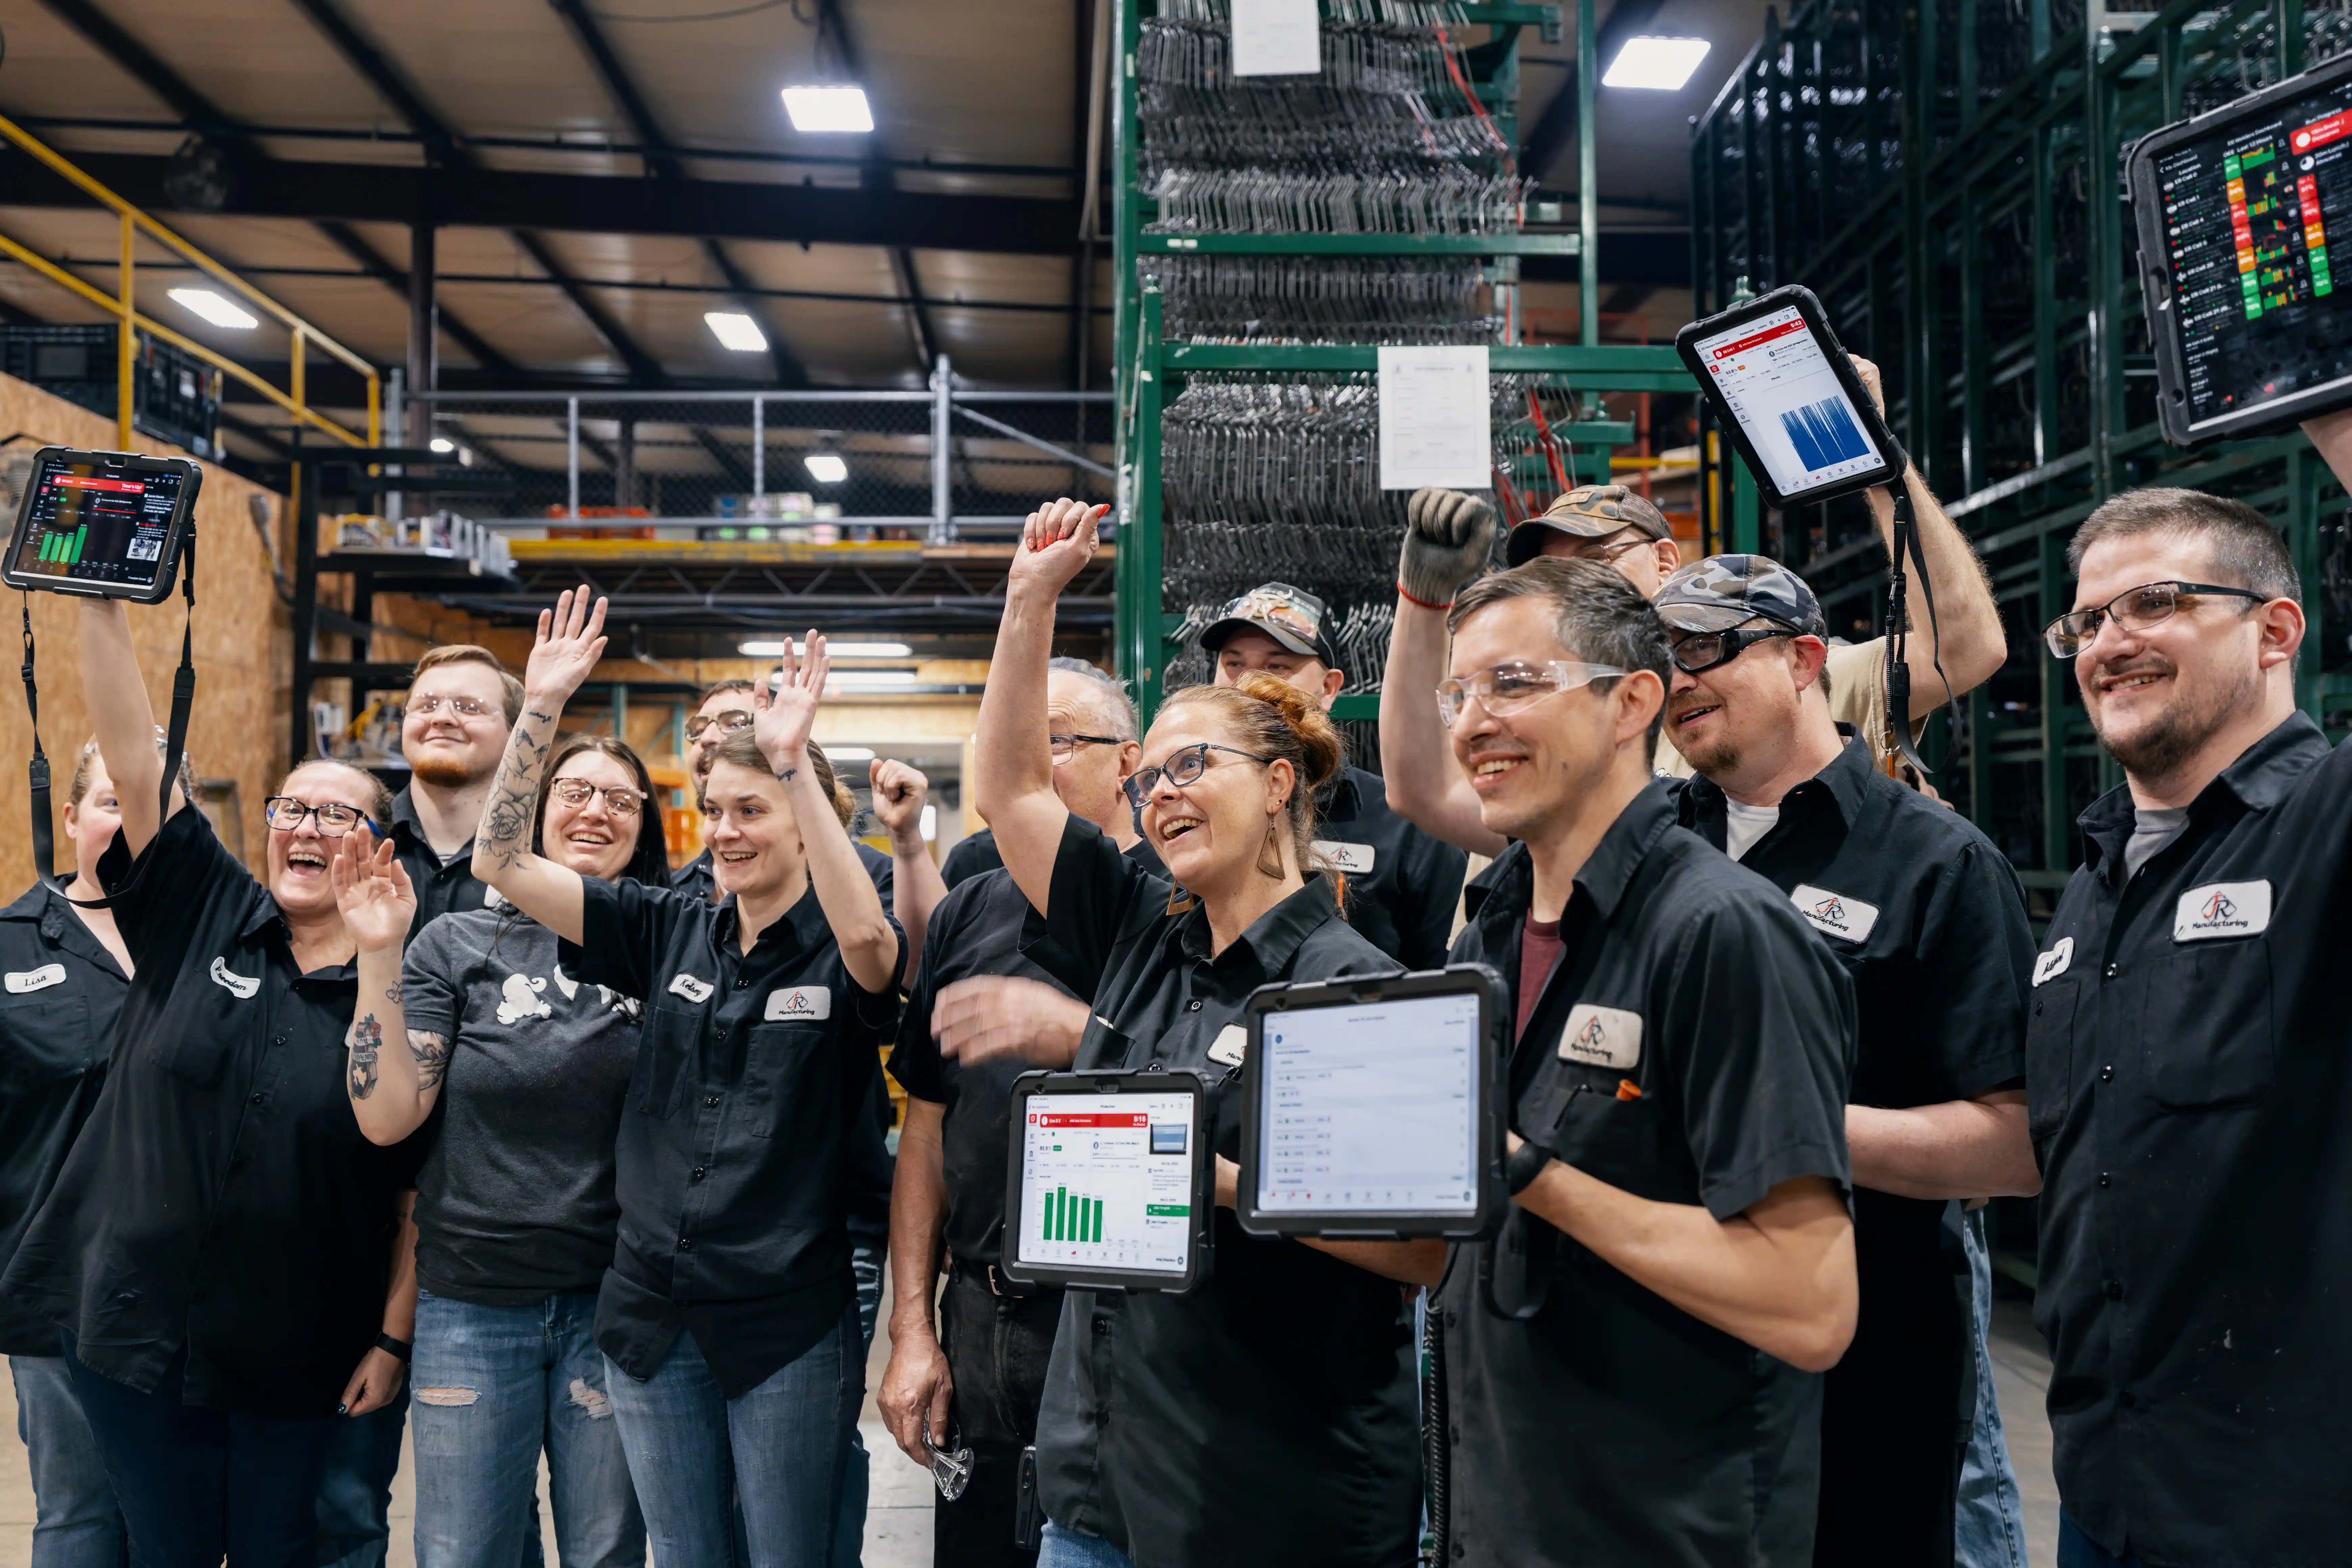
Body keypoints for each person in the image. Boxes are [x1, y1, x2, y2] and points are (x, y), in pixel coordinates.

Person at [970, 498, 1439, 1568]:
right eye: (1146, 780)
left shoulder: (1345, 983)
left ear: (1279, 786)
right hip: (1096, 1489)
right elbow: (1006, 788)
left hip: (1268, 1498)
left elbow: (1418, 1248)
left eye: (1193, 767)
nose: (1158, 795)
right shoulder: (1140, 930)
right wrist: (1029, 597)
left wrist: (1206, 1179)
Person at [1430, 556, 1858, 1566]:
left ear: (1630, 704)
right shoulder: (1484, 936)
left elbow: (1808, 1304)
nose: (1472, 721)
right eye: (1459, 692)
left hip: (1659, 1530)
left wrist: (1529, 1174)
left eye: (1514, 682)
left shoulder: (1720, 933)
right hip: (1501, 1516)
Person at [463, 592, 902, 1567]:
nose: (726, 831)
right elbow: (499, 859)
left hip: (786, 1317)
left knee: (788, 1554)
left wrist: (791, 758)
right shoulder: (666, 925)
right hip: (652, 1315)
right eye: (715, 810)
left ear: (806, 821)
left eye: (753, 811)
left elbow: (874, 941)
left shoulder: (843, 947)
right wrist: (539, 708)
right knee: (687, 1553)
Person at [0, 598, 421, 1568]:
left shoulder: (403, 972)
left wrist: (379, 954)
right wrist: (104, 601)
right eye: (292, 808)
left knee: (279, 1549)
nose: (308, 825)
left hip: (297, 1346)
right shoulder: (204, 910)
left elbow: (396, 1128)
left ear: (378, 845)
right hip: (137, 1337)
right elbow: (136, 761)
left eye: (338, 813)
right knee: (165, 1551)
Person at [1649, 554, 2042, 1566]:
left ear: (1801, 660)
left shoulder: (1933, 863)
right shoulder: (1648, 848)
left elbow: (2015, 1143)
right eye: (1663, 657)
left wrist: (1783, 1125)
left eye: (1706, 649)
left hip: (1864, 1374)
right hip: (1656, 1358)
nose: (1677, 678)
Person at [2026, 484, 2349, 1568]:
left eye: (2152, 602)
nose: (2106, 643)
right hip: (2104, 1490)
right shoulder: (2091, 890)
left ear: (2273, 631)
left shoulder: (2321, 827)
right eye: (2084, 621)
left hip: (2289, 1508)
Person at [1382, 355, 2007, 855]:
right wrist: (1423, 599)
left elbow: (1962, 652)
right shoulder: (1563, 715)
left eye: (1597, 560)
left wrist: (1877, 464)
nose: (1575, 586)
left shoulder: (1774, 676)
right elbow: (1427, 790)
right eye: (1553, 572)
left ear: (1663, 562)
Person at [328, 732, 668, 1568]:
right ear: (533, 815)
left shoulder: (671, 942)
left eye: (621, 799)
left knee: (606, 1551)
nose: (595, 810)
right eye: (574, 792)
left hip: (616, 1307)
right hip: (473, 1305)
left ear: (646, 829)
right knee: (463, 1552)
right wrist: (380, 952)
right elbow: (387, 1116)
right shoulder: (456, 945)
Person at [877, 657, 1153, 1568]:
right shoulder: (970, 908)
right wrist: (914, 1328)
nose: (1035, 767)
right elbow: (926, 1127)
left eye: (1059, 743)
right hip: (987, 1317)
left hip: (1123, 1322)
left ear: (1130, 761)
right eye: (1019, 748)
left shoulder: (1171, 906)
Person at [2, 735, 191, 1568]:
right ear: (72, 816)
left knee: (181, 1525)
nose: (133, 821)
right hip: (55, 1281)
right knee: (79, 1515)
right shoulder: (10, 945)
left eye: (157, 803)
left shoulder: (229, 941)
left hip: (200, 1293)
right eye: (114, 801)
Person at [1200, 583, 1468, 968]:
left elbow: (1438, 983)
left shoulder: (1406, 827)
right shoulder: (1183, 812)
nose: (1249, 684)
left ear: (1328, 689)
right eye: (1234, 663)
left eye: (1277, 666)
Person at [674, 676, 897, 910]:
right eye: (698, 729)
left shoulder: (872, 875)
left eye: (735, 722)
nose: (707, 738)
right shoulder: (676, 895)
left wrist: (907, 845)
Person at [383, 643, 521, 926]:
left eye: (469, 708)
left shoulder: (544, 855)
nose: (442, 718)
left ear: (516, 733)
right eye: (426, 706)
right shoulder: (359, 838)